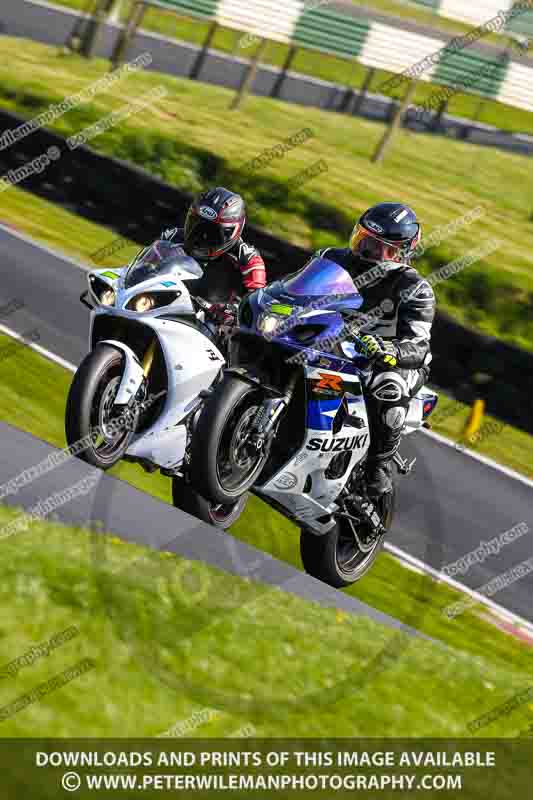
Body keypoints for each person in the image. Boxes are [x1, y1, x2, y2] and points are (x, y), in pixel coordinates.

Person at [316, 202, 436, 504]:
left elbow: (419, 344)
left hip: (393, 361)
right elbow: (294, 289)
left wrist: (389, 349)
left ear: (401, 252)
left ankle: (377, 469)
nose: (367, 250)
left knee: (388, 384)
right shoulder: (333, 259)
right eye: (365, 238)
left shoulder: (414, 288)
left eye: (379, 246)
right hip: (336, 344)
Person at [158, 187, 266, 326]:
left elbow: (256, 308)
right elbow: (145, 269)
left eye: (212, 233)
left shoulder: (248, 260)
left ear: (231, 232)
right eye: (196, 226)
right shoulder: (172, 237)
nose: (202, 237)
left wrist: (231, 312)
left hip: (213, 331)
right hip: (165, 309)